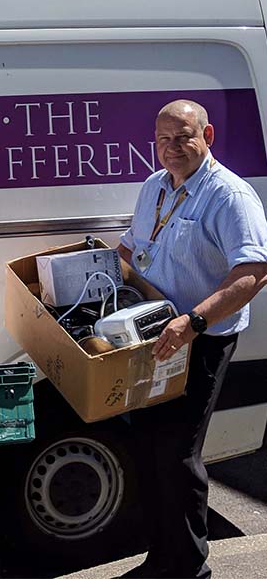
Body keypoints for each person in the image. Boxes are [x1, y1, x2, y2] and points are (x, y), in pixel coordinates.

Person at [117, 100, 267, 579]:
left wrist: (193, 323)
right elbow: (131, 247)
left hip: (199, 340)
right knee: (147, 447)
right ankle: (161, 559)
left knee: (178, 453)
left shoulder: (230, 195)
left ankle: (189, 568)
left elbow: (254, 272)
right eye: (163, 139)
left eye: (183, 137)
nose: (172, 148)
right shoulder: (153, 187)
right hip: (152, 337)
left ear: (209, 135)